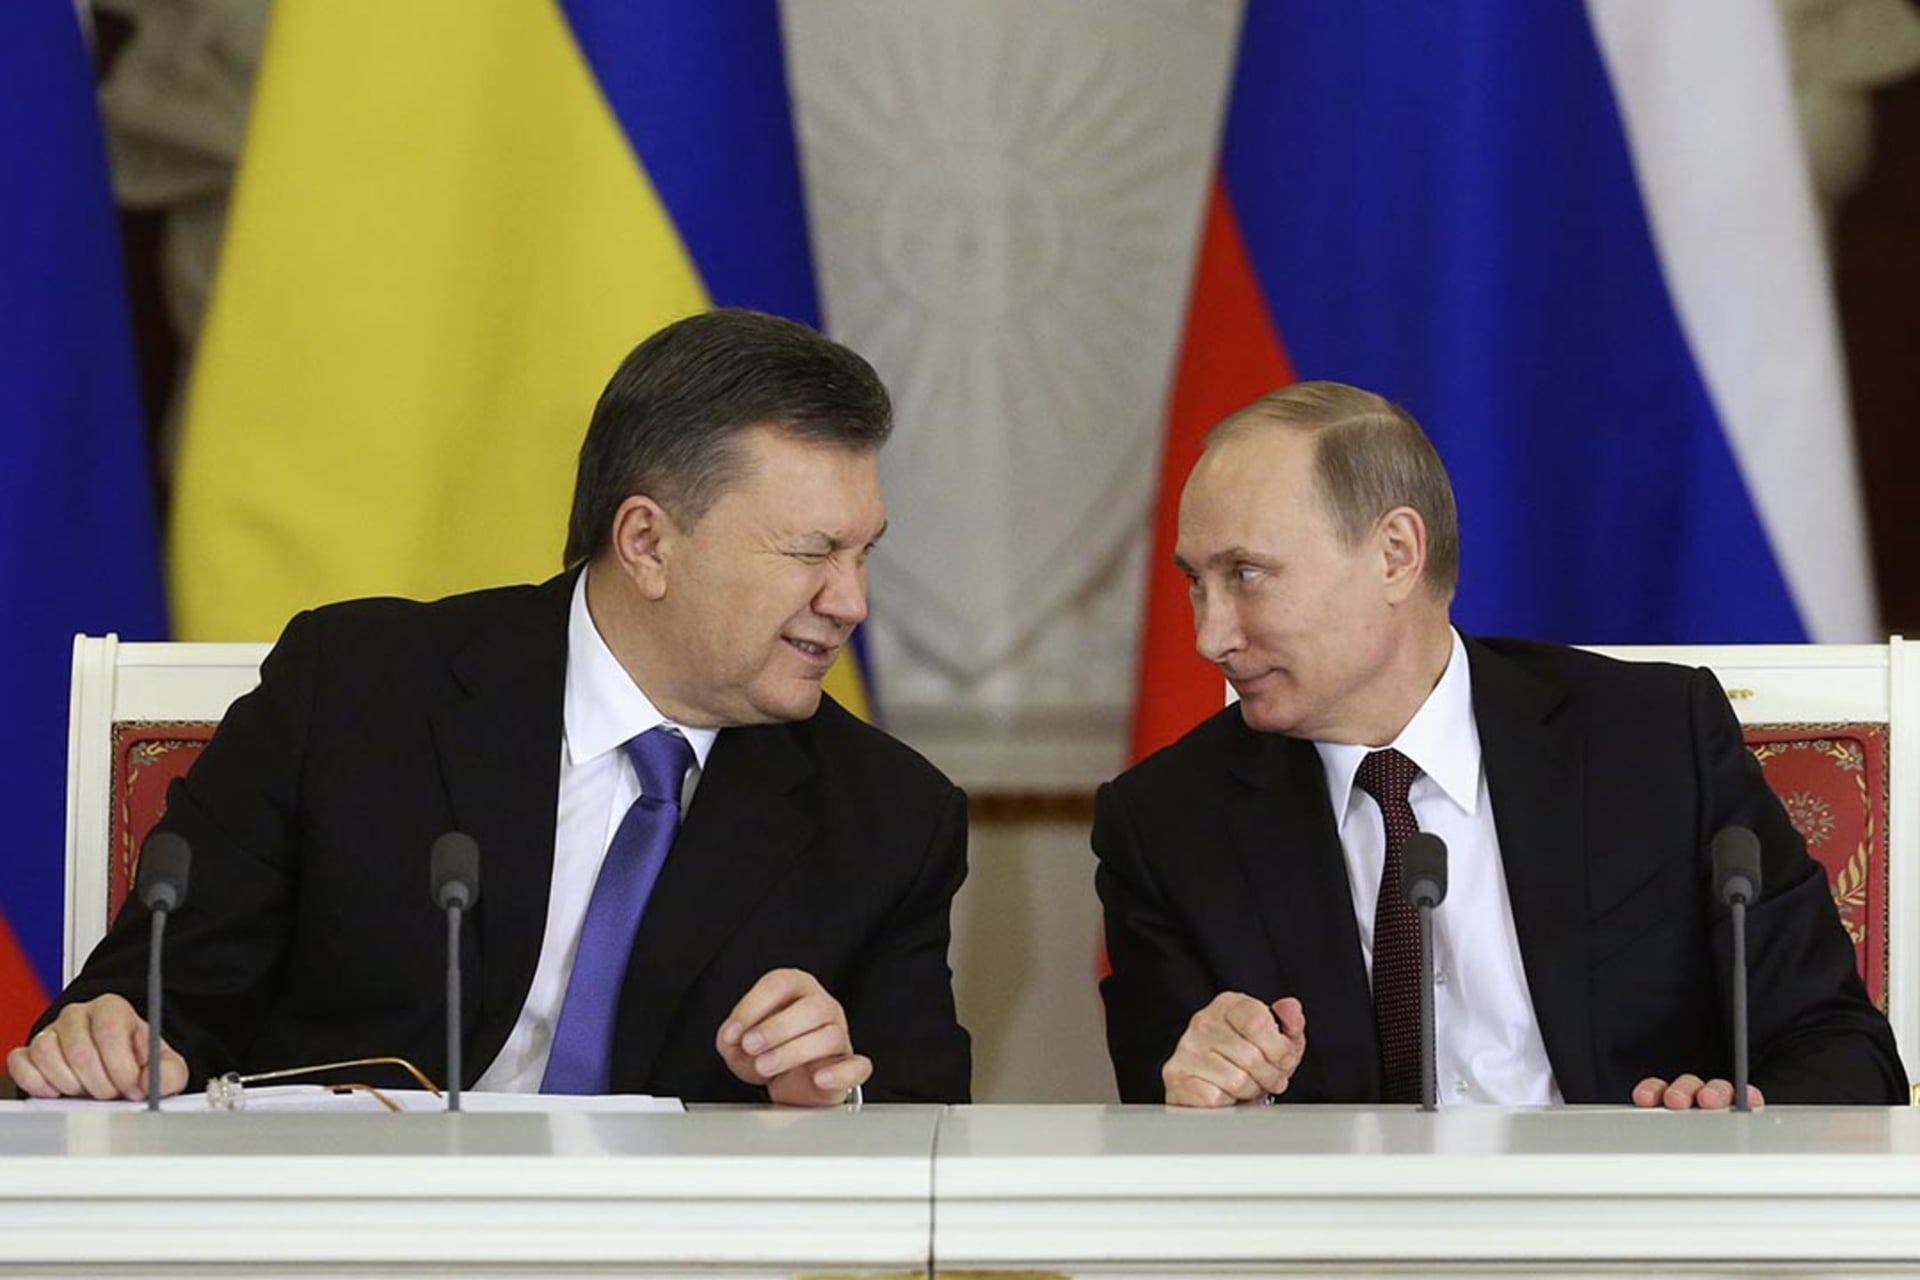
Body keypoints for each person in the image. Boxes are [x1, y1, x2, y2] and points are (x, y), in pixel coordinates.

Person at [10, 308, 971, 1106]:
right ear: (646, 542)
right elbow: (161, 993)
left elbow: (926, 1129)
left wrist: (833, 1096)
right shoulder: (354, 691)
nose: (851, 602)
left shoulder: (889, 816)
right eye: (812, 554)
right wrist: (119, 1039)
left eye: (863, 553)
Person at [1097, 381, 1905, 1109]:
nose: (1210, 635)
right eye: (1195, 580)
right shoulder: (1166, 823)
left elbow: (1841, 1048)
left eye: (1246, 574)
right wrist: (1205, 1085)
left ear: (1395, 555)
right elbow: (1157, 1100)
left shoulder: (1652, 740)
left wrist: (1732, 1120)